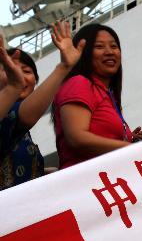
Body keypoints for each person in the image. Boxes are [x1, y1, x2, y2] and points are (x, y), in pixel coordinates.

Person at [1, 23, 85, 188]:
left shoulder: (23, 134)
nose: (20, 77)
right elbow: (23, 116)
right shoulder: (10, 116)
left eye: (26, 71)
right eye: (10, 69)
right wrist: (63, 68)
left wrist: (41, 172)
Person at [53, 23, 142, 169]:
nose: (109, 52)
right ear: (83, 52)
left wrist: (127, 137)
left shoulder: (107, 93)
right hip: (86, 182)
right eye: (99, 46)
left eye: (114, 46)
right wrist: (130, 148)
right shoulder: (79, 83)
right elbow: (77, 138)